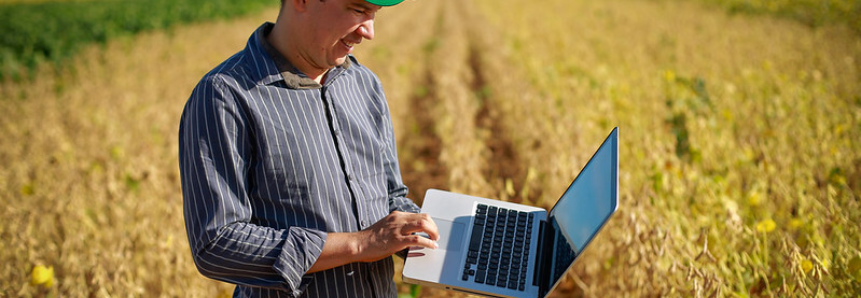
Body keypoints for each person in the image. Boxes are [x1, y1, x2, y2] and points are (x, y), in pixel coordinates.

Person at [178, 0, 439, 297]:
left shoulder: (364, 84)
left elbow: (390, 197)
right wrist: (358, 244)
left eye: (374, 15)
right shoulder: (225, 95)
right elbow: (216, 244)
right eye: (357, 10)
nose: (368, 32)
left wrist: (440, 241)